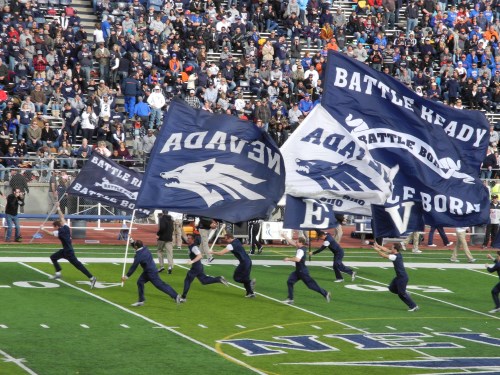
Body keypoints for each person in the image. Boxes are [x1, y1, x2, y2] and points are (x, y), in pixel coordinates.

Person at [40, 204, 97, 288]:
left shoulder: (58, 232)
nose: (53, 228)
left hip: (69, 252)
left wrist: (42, 228)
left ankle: (92, 277)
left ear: (56, 226)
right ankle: (58, 273)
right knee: (53, 257)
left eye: (54, 227)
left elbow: (50, 233)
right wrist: (58, 207)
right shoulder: (66, 227)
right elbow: (62, 217)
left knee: (78, 266)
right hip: (65, 250)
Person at [121, 239, 181, 306]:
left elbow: (133, 267)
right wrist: (131, 241)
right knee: (140, 282)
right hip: (148, 271)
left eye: (134, 245)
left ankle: (176, 296)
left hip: (151, 272)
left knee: (160, 285)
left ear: (136, 247)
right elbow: (136, 246)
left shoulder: (139, 256)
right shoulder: (144, 247)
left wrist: (126, 276)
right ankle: (141, 300)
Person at [281, 233, 331, 305]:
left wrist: (288, 259)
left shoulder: (300, 250)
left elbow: (297, 259)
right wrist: (285, 236)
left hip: (302, 272)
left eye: (297, 242)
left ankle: (325, 293)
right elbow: (292, 242)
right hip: (298, 271)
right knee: (290, 282)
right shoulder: (301, 247)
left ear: (301, 243)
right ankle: (290, 299)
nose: (296, 242)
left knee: (311, 285)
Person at [179, 234, 228, 302]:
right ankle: (219, 279)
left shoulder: (194, 247)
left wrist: (192, 261)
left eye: (189, 238)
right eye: (187, 238)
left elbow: (200, 256)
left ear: (193, 240)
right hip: (198, 267)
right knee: (204, 281)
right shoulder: (191, 246)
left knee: (187, 281)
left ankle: (183, 297)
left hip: (196, 267)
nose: (188, 239)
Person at [373, 242, 419, 312]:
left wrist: (377, 250)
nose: (391, 248)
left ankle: (413, 306)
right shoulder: (395, 253)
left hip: (402, 278)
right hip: (399, 277)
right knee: (391, 288)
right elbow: (386, 250)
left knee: (401, 294)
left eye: (392, 247)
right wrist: (378, 246)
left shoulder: (395, 256)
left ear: (395, 249)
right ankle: (404, 292)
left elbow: (383, 255)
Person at [210, 232, 256, 298]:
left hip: (244, 263)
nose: (225, 240)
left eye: (226, 239)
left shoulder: (231, 245)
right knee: (245, 278)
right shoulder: (237, 240)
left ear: (229, 238)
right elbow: (225, 248)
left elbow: (221, 253)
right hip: (248, 261)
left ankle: (250, 282)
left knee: (236, 278)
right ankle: (250, 293)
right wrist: (215, 251)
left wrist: (212, 252)